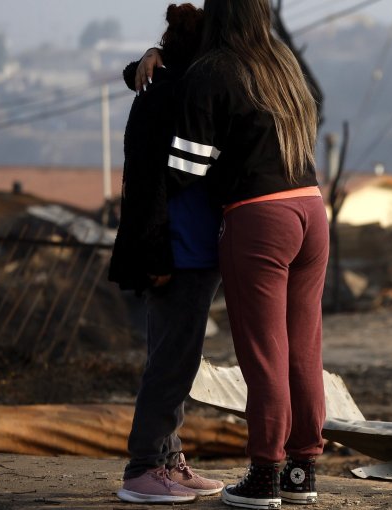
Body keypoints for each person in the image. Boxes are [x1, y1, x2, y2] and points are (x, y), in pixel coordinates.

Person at [140, 0, 328, 507]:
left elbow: (186, 168)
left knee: (264, 355)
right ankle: (301, 471)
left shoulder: (213, 70)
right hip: (311, 209)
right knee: (303, 347)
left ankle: (265, 474)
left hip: (259, 219)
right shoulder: (282, 61)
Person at [108, 3, 224, 504]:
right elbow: (153, 183)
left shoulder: (165, 85)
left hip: (183, 246)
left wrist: (146, 59)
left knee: (173, 356)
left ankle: (167, 457)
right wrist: (156, 256)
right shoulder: (177, 93)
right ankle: (144, 467)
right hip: (180, 250)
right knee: (173, 363)